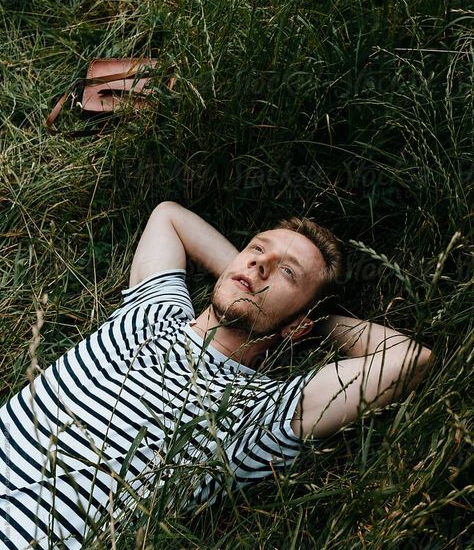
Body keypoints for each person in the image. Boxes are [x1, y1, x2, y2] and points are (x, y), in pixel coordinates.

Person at [0, 201, 433, 549]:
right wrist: (244, 276)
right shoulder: (156, 310)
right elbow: (169, 216)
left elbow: (410, 359)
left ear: (300, 323)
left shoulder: (260, 412)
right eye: (257, 249)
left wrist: (312, 322)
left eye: (287, 272)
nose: (260, 265)